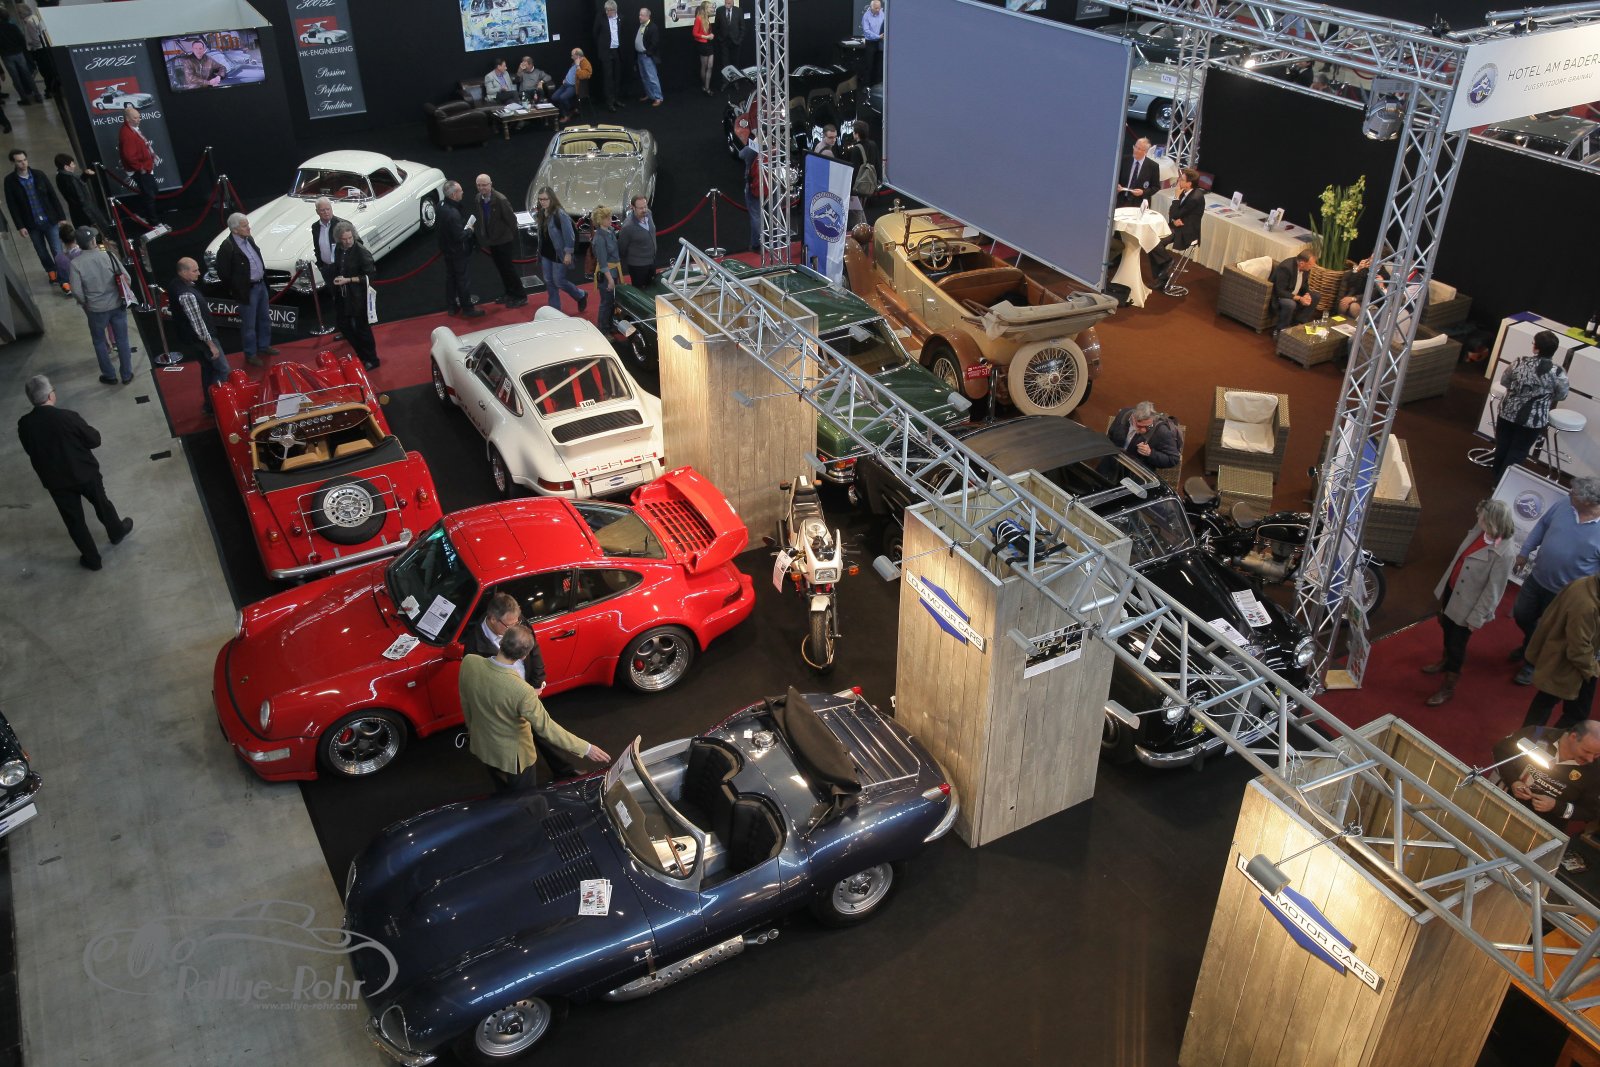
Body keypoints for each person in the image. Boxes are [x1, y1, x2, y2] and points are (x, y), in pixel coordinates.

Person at [457, 624, 609, 792]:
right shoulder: (522, 690)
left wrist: (471, 729)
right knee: (525, 797)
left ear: (501, 641)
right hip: (514, 758)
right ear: (524, 656)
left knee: (501, 788)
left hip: (483, 745)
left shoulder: (470, 662)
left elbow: (466, 701)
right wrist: (586, 748)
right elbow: (547, 728)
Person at [16, 374, 133, 571]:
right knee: (102, 504)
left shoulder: (25, 424)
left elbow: (30, 449)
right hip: (85, 473)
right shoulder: (67, 417)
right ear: (50, 395)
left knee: (74, 521)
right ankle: (116, 532)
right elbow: (94, 440)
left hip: (56, 481)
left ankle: (92, 559)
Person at [1421, 499, 1517, 707]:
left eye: (1481, 518)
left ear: (1492, 522)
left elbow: (1494, 590)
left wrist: (1477, 617)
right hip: (1453, 591)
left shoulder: (1505, 553)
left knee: (1457, 645)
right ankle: (1445, 661)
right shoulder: (1480, 530)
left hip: (1469, 605)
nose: (1477, 519)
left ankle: (1448, 686)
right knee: (1446, 628)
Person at [1511, 478, 1600, 686]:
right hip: (1537, 578)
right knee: (1521, 615)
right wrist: (1524, 552)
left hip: (1567, 595)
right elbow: (1542, 525)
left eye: (1574, 492)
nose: (1569, 493)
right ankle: (1530, 646)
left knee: (1550, 631)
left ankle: (1531, 664)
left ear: (1588, 501)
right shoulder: (1563, 504)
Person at [1521, 573, 1600, 730]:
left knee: (1545, 703)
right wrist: (1594, 670)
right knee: (1575, 715)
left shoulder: (1583, 583)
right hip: (1572, 665)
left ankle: (1529, 739)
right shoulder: (1587, 605)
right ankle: (1542, 741)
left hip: (1561, 658)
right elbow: (1578, 649)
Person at [1490, 721, 1600, 831]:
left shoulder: (1595, 771)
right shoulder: (1535, 734)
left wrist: (1556, 806)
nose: (1590, 759)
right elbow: (1501, 751)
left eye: (1597, 754)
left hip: (1541, 828)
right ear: (1573, 737)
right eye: (1586, 751)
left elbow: (1590, 812)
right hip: (1501, 804)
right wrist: (1513, 781)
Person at [1492, 329, 1570, 482]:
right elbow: (1562, 395)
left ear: (1536, 348)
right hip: (1533, 420)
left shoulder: (1519, 362)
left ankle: (1495, 476)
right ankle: (1502, 483)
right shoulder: (1558, 372)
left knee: (1502, 445)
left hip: (1508, 411)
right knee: (1519, 451)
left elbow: (1505, 381)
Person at [68, 228, 136, 385]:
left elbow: (76, 291)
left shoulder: (75, 264)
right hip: (117, 305)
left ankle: (109, 375)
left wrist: (86, 302)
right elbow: (127, 278)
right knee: (122, 340)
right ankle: (126, 374)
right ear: (93, 241)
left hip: (96, 309)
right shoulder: (108, 256)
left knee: (99, 342)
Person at [213, 212, 278, 367]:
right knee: (249, 325)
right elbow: (223, 273)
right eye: (244, 226)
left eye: (247, 224)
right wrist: (238, 288)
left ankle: (264, 346)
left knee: (264, 319)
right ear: (235, 230)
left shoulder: (249, 239)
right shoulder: (227, 248)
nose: (249, 228)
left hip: (261, 285)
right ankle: (251, 354)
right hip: (247, 291)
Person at [169, 256, 229, 415]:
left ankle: (209, 405)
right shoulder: (187, 294)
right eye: (195, 270)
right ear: (183, 272)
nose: (199, 273)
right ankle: (218, 403)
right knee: (223, 369)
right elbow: (197, 323)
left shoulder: (176, 284)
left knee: (208, 369)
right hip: (202, 339)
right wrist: (211, 345)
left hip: (190, 338)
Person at [4, 148, 67, 290]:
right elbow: (12, 206)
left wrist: (61, 217)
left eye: (24, 160)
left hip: (49, 220)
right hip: (31, 224)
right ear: (13, 163)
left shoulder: (39, 175)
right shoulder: (10, 181)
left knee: (57, 250)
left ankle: (64, 279)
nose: (23, 163)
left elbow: (52, 196)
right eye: (19, 161)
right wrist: (20, 226)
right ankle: (51, 271)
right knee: (41, 251)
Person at [470, 172, 525, 308]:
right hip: (491, 240)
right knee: (501, 269)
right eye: (479, 185)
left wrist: (507, 235)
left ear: (490, 184)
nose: (481, 188)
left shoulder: (500, 200)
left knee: (508, 269)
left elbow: (512, 220)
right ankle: (509, 293)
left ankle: (521, 296)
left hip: (504, 241)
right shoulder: (478, 198)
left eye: (484, 185)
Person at [331, 223, 379, 370]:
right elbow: (338, 266)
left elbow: (370, 276)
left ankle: (372, 359)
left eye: (350, 238)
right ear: (339, 239)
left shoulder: (361, 251)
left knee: (362, 328)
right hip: (344, 295)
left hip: (359, 296)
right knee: (344, 325)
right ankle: (361, 355)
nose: (348, 241)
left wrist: (348, 280)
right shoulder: (338, 249)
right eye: (344, 239)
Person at [532, 187, 586, 315]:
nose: (542, 202)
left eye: (545, 199)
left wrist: (568, 253)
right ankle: (555, 309)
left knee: (559, 281)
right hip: (545, 254)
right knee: (549, 281)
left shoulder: (560, 214)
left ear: (551, 198)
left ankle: (581, 295)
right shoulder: (542, 212)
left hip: (558, 255)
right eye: (540, 199)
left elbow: (569, 235)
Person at [1149, 166, 1204, 287]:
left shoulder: (1195, 197)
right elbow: (1172, 213)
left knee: (1155, 244)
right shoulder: (1185, 191)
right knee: (1152, 243)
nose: (1179, 180)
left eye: (1182, 179)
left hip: (1186, 231)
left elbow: (1175, 213)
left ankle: (1168, 262)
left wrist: (1176, 197)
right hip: (1177, 226)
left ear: (1189, 183)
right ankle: (1162, 276)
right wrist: (1174, 220)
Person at [437, 180, 483, 318]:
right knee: (462, 280)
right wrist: (469, 230)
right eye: (460, 191)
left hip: (447, 250)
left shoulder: (440, 205)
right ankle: (468, 309)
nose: (463, 192)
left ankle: (452, 306)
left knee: (451, 278)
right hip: (458, 252)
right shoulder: (453, 214)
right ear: (453, 195)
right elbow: (460, 236)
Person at [117, 105, 160, 226]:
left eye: (139, 117)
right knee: (149, 195)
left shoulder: (132, 129)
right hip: (140, 169)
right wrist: (140, 168)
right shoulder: (127, 134)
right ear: (128, 119)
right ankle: (153, 222)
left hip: (144, 167)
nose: (139, 119)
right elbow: (129, 156)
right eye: (135, 118)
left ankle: (142, 215)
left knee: (152, 191)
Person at [1107, 401, 1181, 470]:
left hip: (1137, 471)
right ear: (1132, 418)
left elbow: (1173, 459)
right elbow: (1110, 436)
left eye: (1148, 426)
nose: (1144, 430)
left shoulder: (1162, 432)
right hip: (1113, 464)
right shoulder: (1124, 414)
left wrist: (1150, 453)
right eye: (1139, 426)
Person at [53, 154, 112, 234]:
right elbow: (81, 199)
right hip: (87, 213)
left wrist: (84, 176)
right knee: (99, 234)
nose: (74, 166)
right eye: (72, 164)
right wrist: (94, 219)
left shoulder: (60, 176)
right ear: (66, 167)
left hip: (76, 214)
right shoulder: (71, 179)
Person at [1270, 249, 1319, 334]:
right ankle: (1280, 330)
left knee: (1315, 296)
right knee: (1290, 304)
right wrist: (1300, 298)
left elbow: (1305, 284)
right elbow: (1280, 291)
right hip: (1281, 296)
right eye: (1310, 265)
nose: (1312, 267)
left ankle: (1299, 323)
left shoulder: (1306, 269)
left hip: (1295, 294)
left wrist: (1307, 294)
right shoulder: (1286, 268)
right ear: (1302, 263)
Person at [591, 204, 622, 334]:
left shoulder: (610, 232)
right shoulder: (599, 238)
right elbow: (603, 263)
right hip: (607, 275)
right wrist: (610, 280)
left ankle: (609, 325)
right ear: (600, 220)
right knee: (606, 302)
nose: (610, 220)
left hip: (614, 271)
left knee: (611, 301)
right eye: (607, 218)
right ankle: (603, 329)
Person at [616, 194, 657, 288]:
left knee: (652, 289)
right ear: (633, 207)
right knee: (640, 291)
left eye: (645, 206)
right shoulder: (628, 227)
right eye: (641, 208)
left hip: (652, 261)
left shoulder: (649, 213)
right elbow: (622, 248)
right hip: (638, 267)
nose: (644, 210)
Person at [0, 12, 39, 105]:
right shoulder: (13, 26)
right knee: (27, 75)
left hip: (7, 56)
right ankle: (37, 95)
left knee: (15, 78)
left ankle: (24, 98)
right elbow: (21, 39)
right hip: (19, 53)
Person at [308, 196, 347, 288]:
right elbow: (317, 247)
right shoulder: (315, 227)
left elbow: (356, 245)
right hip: (326, 269)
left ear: (331, 208)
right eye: (322, 210)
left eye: (328, 209)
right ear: (317, 211)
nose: (326, 212)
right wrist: (321, 266)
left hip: (342, 269)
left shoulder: (342, 225)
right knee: (333, 293)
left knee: (345, 294)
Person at [592, 0, 624, 112]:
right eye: (606, 10)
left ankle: (616, 99)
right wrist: (602, 46)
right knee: (608, 77)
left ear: (615, 10)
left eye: (609, 10)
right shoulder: (600, 18)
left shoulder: (620, 18)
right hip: (606, 52)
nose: (607, 12)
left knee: (617, 76)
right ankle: (609, 102)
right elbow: (595, 33)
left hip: (616, 51)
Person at [1116, 137, 1159, 209]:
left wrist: (1143, 192)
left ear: (1145, 152)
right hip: (1121, 200)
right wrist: (1117, 185)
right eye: (1135, 147)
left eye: (1139, 149)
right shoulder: (1124, 160)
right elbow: (1115, 177)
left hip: (1139, 203)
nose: (1135, 150)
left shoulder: (1153, 166)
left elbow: (1156, 187)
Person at [552, 47, 591, 123]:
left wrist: (578, 65)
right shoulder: (575, 61)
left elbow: (583, 76)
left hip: (574, 86)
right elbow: (571, 72)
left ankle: (566, 115)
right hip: (566, 84)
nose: (571, 57)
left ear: (578, 56)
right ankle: (572, 109)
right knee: (554, 97)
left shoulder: (586, 64)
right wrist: (565, 79)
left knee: (562, 97)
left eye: (572, 55)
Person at [635, 7, 663, 107]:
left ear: (647, 16)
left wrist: (648, 53)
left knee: (652, 77)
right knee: (644, 77)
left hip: (647, 56)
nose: (639, 17)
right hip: (640, 55)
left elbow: (655, 43)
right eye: (639, 14)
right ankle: (650, 94)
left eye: (642, 15)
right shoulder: (642, 25)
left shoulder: (653, 27)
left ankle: (658, 98)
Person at [714, 0, 744, 86]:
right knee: (725, 63)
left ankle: (735, 81)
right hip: (724, 42)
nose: (727, 4)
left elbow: (742, 27)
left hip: (735, 42)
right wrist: (720, 38)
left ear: (733, 2)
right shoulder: (719, 10)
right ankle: (725, 82)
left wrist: (739, 40)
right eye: (726, 2)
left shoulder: (739, 11)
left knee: (735, 63)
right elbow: (716, 27)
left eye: (729, 3)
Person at [860, 0, 885, 85]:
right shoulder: (866, 16)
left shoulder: (883, 14)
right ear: (871, 7)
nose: (878, 10)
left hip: (881, 42)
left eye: (879, 8)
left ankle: (878, 84)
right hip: (870, 43)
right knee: (869, 65)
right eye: (876, 8)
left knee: (879, 65)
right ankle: (866, 85)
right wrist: (878, 36)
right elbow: (866, 31)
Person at [693, 2, 716, 95]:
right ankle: (704, 86)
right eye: (710, 7)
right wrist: (706, 37)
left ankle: (707, 87)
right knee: (704, 66)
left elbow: (708, 31)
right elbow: (695, 33)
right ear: (705, 8)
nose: (712, 9)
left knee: (710, 66)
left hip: (709, 44)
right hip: (703, 45)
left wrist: (711, 35)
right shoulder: (698, 18)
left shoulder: (707, 17)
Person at [51, 220, 78, 298]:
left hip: (71, 281)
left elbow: (62, 275)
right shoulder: (83, 252)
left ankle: (66, 286)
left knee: (61, 275)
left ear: (61, 239)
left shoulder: (59, 258)